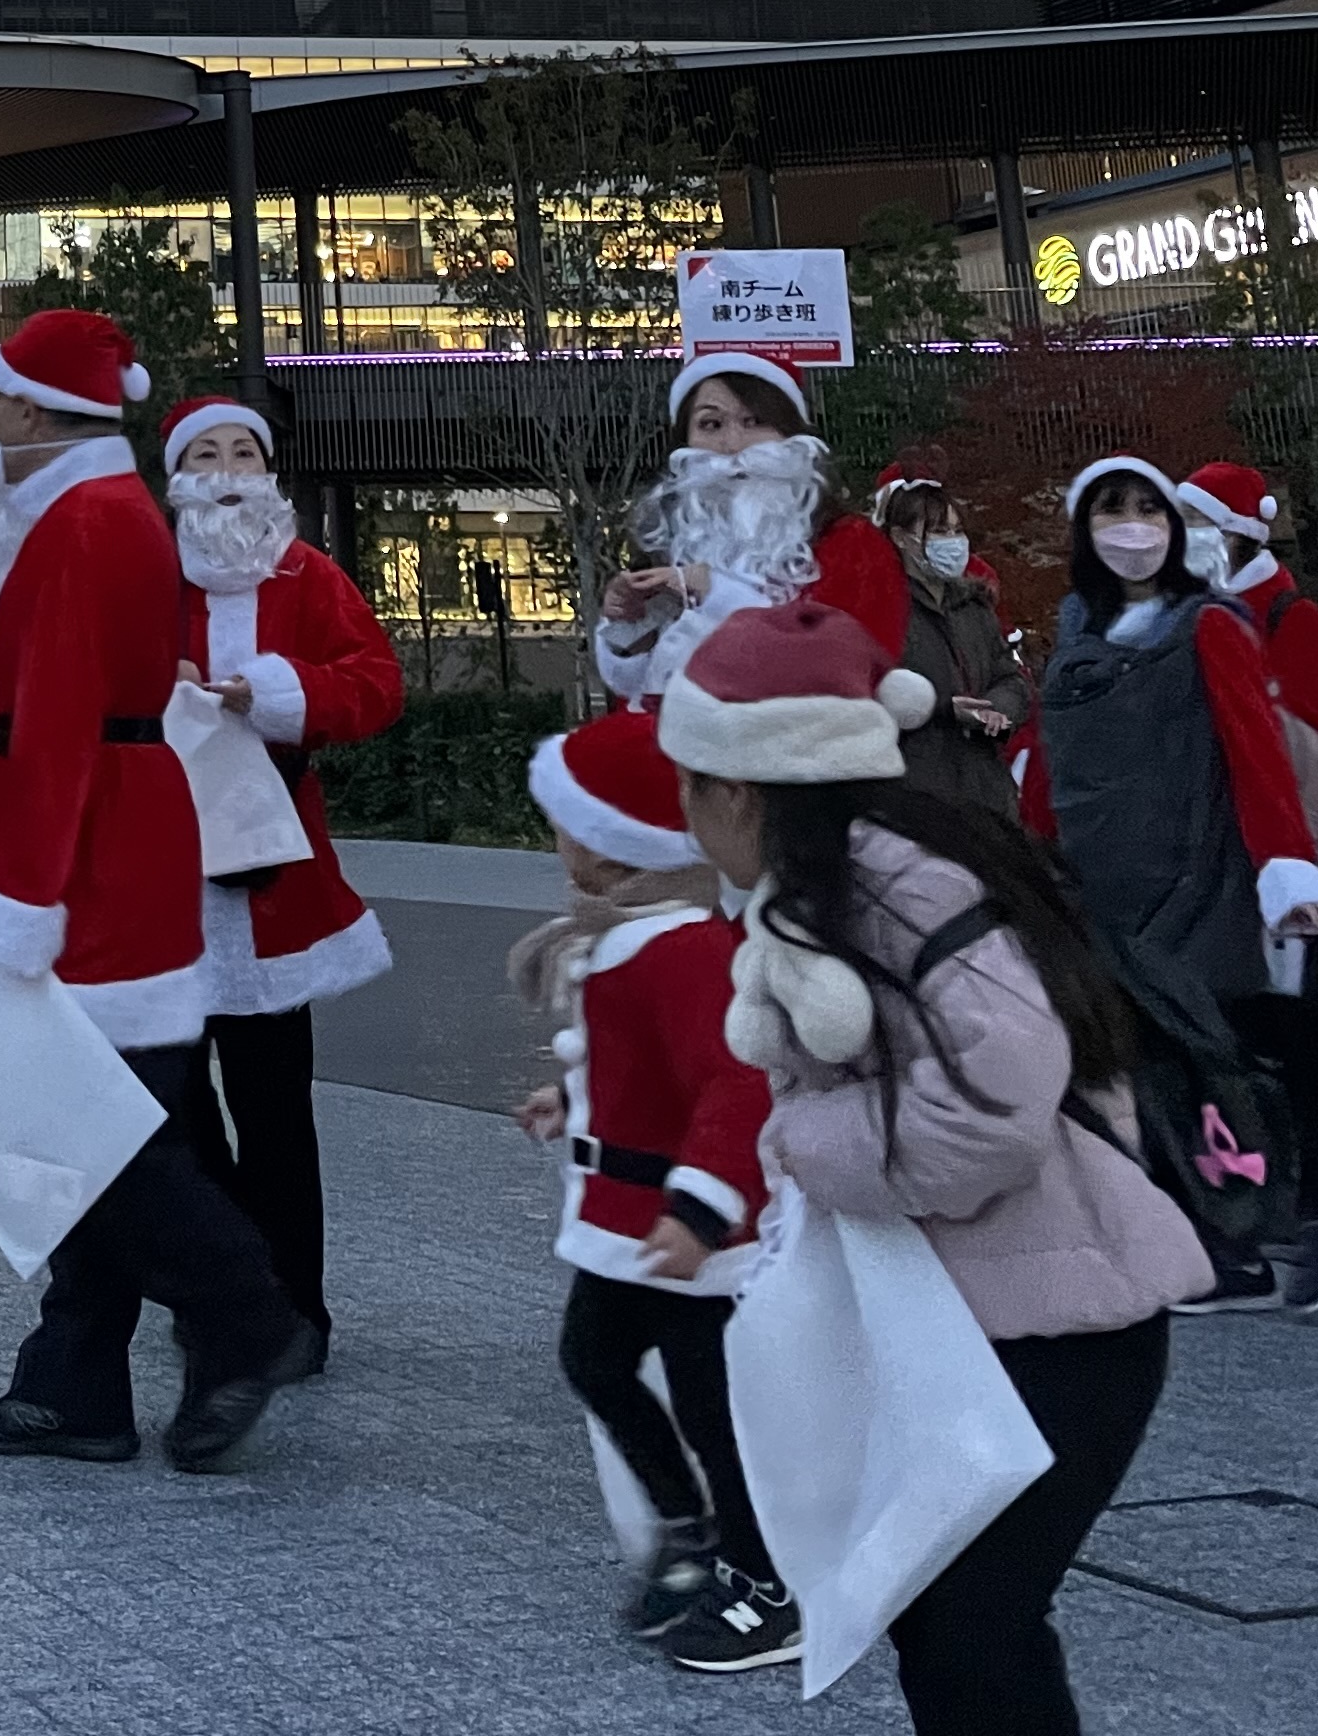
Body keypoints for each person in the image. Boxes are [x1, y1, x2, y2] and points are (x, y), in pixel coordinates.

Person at [660, 596, 1210, 1736]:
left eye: (689, 785)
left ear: (740, 789)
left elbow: (997, 1103)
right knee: (960, 1629)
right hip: (996, 1315)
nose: (684, 813)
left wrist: (803, 1144)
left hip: (1066, 1324)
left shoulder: (897, 887)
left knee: (972, 1631)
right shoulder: (856, 874)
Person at [0, 307, 307, 1475]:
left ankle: (242, 1313)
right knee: (99, 1120)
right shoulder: (94, 512)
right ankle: (76, 1384)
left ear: (33, 407)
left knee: (97, 1132)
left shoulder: (85, 522)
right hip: (111, 846)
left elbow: (55, 726)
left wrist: (24, 898)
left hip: (89, 861)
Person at [1023, 457, 1318, 1319]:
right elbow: (1055, 753)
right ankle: (1242, 1230)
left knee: (1200, 1062)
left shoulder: (1208, 623)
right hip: (1104, 882)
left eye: (1150, 508)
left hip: (1194, 877)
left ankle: (1245, 1241)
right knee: (1159, 1065)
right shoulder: (1079, 625)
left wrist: (1284, 865)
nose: (1133, 526)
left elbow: (1254, 745)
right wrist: (1026, 855)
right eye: (1111, 510)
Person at [513, 702, 782, 1666]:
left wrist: (702, 1208)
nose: (556, 842)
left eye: (565, 824)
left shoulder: (679, 949)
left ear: (605, 841)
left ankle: (758, 1579)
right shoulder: (635, 939)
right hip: (632, 1220)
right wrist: (572, 1098)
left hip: (683, 1230)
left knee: (711, 1412)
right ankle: (690, 1530)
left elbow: (737, 1079)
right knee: (596, 1362)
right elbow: (649, 1071)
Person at [159, 386, 403, 1358]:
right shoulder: (149, 578)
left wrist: (273, 694)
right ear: (177, 477)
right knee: (177, 1110)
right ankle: (223, 1291)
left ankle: (297, 1311)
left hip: (273, 878)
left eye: (243, 455)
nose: (226, 474)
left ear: (268, 473)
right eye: (207, 456)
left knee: (274, 1112)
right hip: (165, 879)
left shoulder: (308, 575)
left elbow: (376, 683)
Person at [594, 352, 906, 709]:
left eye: (754, 421)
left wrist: (715, 591)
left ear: (790, 433)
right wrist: (630, 629)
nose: (732, 445)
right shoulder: (669, 541)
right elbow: (638, 692)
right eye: (711, 424)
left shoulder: (852, 544)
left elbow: (852, 668)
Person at [869, 465, 1026, 819]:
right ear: (900, 537)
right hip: (918, 797)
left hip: (988, 793)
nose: (953, 542)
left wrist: (997, 708)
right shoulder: (880, 612)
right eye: (940, 531)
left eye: (957, 530)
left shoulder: (974, 606)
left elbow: (1010, 676)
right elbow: (870, 694)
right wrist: (943, 708)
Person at [1177, 461, 1318, 791]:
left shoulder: (1295, 616)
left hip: (1279, 794)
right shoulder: (1183, 610)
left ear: (1233, 533)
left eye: (1194, 519)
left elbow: (1307, 729)